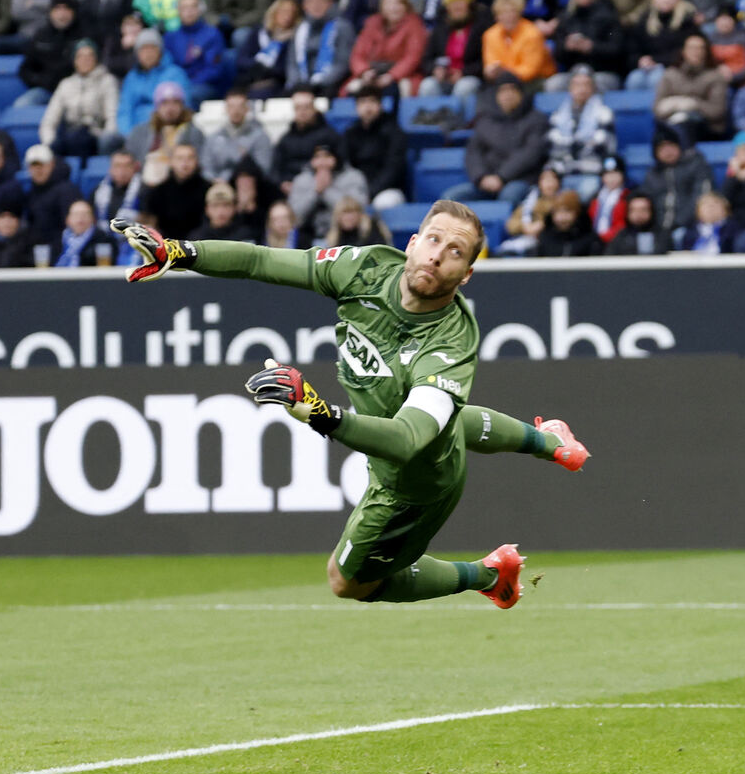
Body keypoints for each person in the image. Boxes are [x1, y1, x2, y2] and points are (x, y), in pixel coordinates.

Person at [112, 200, 589, 608]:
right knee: (451, 419)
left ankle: (488, 575)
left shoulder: (451, 342)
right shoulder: (364, 268)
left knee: (347, 582)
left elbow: (405, 442)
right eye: (433, 239)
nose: (438, 255)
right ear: (412, 243)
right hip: (419, 430)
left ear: (466, 275)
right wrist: (183, 251)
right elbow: (261, 261)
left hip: (413, 482)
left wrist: (323, 414)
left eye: (455, 251)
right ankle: (546, 440)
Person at [452, 78, 546, 207]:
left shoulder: (536, 119)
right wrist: (481, 177)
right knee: (452, 198)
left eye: (513, 89)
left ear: (522, 94)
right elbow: (473, 153)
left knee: (509, 196)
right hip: (486, 181)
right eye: (503, 91)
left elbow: (531, 153)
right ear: (496, 95)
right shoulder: (485, 121)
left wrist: (501, 177)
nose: (508, 94)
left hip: (521, 179)